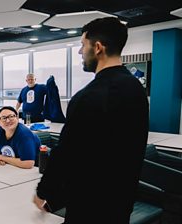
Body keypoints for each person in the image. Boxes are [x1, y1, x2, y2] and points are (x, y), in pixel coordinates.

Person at [33, 17, 149, 223]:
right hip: (123, 199)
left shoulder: (89, 96)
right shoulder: (135, 88)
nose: (80, 52)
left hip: (89, 204)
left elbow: (67, 152)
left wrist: (44, 191)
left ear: (97, 48)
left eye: (82, 45)